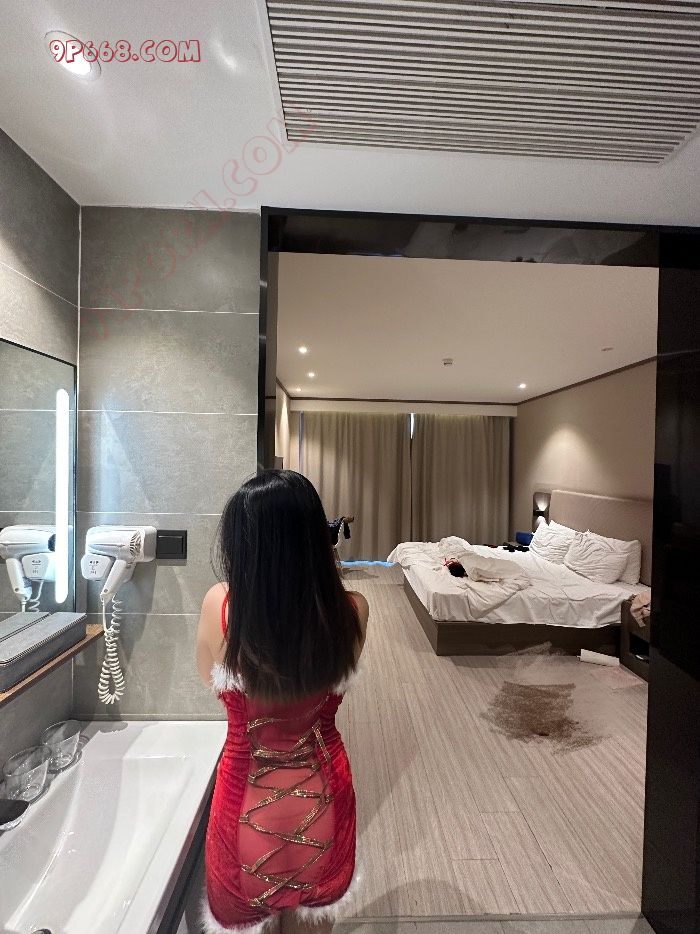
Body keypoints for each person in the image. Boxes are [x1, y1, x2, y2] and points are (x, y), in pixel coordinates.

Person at [196, 470, 369, 934]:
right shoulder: (353, 610)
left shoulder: (221, 606)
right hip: (325, 795)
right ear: (316, 537)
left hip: (244, 800)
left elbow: (210, 680)